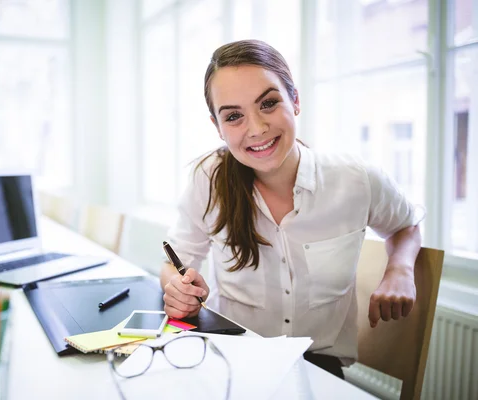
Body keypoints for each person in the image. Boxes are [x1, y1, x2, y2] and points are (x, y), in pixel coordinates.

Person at [160, 39, 423, 379]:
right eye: (234, 116)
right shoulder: (207, 180)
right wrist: (178, 290)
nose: (256, 128)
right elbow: (174, 262)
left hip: (319, 371)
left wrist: (400, 270)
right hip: (233, 363)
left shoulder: (355, 179)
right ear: (218, 127)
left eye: (268, 104)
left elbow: (406, 225)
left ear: (295, 100)